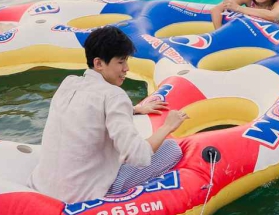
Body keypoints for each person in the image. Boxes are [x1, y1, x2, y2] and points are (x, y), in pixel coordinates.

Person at [31, 25, 188, 204]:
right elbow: (138, 156)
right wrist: (168, 126)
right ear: (98, 63)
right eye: (120, 62)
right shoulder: (114, 95)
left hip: (43, 187)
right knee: (171, 149)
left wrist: (134, 109)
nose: (126, 68)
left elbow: (88, 111)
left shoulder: (68, 84)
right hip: (82, 194)